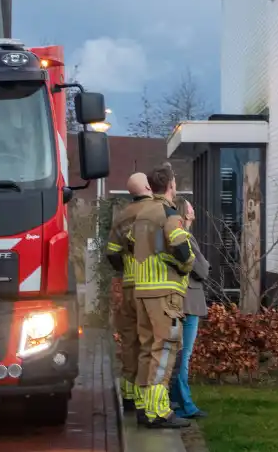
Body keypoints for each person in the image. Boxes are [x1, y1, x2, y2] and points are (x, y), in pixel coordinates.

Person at [131, 163, 195, 429]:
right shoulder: (169, 214)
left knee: (147, 349)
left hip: (141, 290)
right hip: (164, 293)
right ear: (171, 185)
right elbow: (180, 246)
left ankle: (144, 407)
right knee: (165, 349)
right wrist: (187, 263)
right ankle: (159, 411)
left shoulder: (141, 213)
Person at [104, 172, 154, 413]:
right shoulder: (156, 212)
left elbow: (112, 252)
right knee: (149, 344)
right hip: (150, 286)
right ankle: (147, 400)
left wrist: (125, 269)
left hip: (128, 287)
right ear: (147, 186)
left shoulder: (122, 216)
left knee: (129, 342)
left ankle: (128, 396)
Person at [168, 197, 210, 419]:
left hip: (180, 300)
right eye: (191, 207)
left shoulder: (176, 235)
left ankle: (175, 400)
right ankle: (186, 405)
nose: (194, 209)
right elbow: (202, 269)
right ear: (185, 213)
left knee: (177, 355)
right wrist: (205, 266)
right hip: (190, 302)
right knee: (184, 356)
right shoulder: (186, 237)